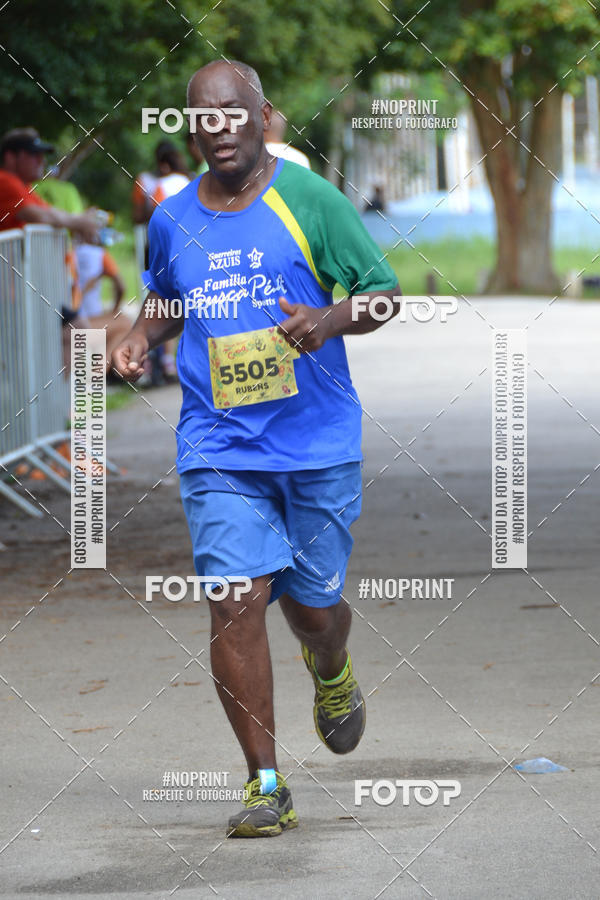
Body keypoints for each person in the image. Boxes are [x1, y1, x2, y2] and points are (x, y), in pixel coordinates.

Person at [111, 60, 399, 838]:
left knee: (312, 608)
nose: (219, 129)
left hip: (315, 443)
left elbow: (384, 292)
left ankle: (330, 664)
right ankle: (265, 783)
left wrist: (327, 322)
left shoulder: (309, 200)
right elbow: (169, 298)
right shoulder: (172, 218)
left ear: (263, 114)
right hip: (219, 445)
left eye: (233, 113)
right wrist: (141, 334)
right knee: (234, 600)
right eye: (203, 117)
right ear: (190, 126)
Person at [0, 128, 96, 240]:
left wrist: (80, 220)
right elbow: (40, 216)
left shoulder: (22, 186)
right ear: (10, 157)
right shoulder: (4, 181)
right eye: (33, 155)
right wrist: (80, 221)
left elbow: (47, 211)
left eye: (41, 155)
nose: (42, 161)